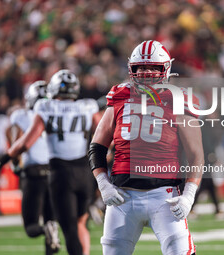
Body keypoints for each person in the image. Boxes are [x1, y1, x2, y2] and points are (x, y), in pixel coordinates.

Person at [88, 40, 204, 255]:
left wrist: (189, 194)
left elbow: (196, 154)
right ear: (132, 69)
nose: (147, 72)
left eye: (153, 67)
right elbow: (97, 147)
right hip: (122, 196)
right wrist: (103, 184)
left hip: (164, 196)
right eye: (141, 67)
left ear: (166, 69)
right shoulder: (120, 94)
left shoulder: (179, 99)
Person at [0, 69, 99, 255]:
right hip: (84, 172)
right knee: (80, 223)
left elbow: (25, 143)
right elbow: (102, 135)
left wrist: (3, 159)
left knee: (69, 228)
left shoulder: (46, 108)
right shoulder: (88, 106)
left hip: (60, 173)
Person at [6, 80, 60, 254]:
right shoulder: (58, 114)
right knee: (51, 222)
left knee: (31, 227)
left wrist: (15, 165)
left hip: (34, 173)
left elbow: (17, 143)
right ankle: (49, 232)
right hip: (55, 172)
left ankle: (46, 231)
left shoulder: (22, 116)